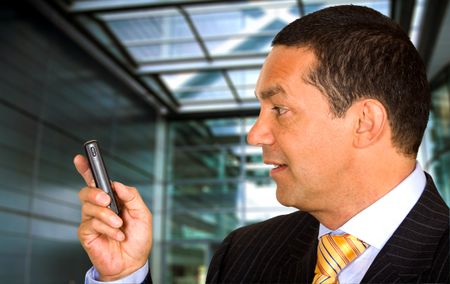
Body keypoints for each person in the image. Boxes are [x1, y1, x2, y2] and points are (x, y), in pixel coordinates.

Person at [74, 5, 449, 284]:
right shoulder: (243, 254)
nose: (255, 134)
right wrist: (122, 274)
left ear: (365, 123)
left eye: (280, 109)